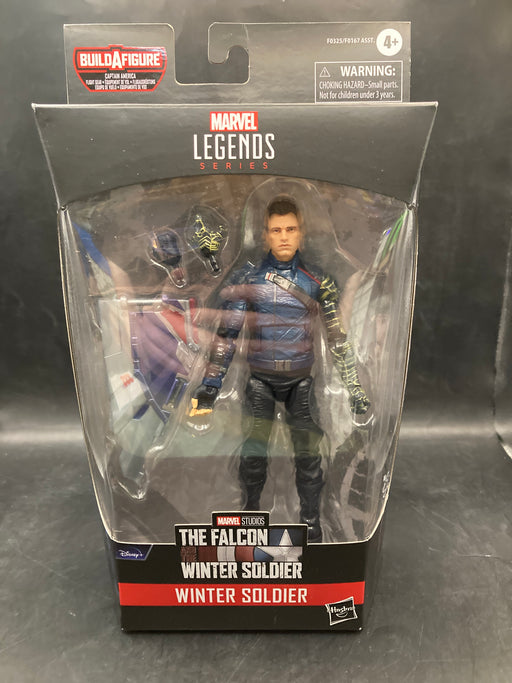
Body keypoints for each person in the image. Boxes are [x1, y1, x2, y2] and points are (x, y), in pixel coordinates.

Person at [189, 196, 369, 541]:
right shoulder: (249, 278)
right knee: (253, 455)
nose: (284, 236)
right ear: (265, 235)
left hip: (301, 382)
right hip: (260, 381)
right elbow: (227, 337)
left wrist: (355, 390)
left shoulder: (318, 280)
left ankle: (311, 522)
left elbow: (337, 339)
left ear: (301, 232)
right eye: (276, 230)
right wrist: (210, 387)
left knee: (309, 457)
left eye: (290, 229)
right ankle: (251, 517)